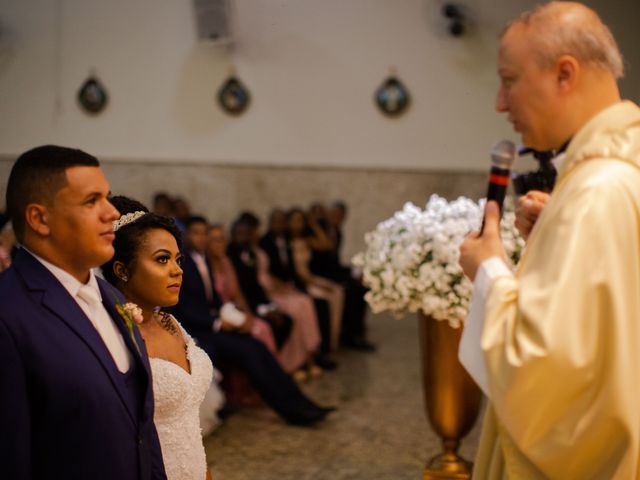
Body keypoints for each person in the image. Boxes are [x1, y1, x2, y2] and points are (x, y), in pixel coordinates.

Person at [458, 3, 640, 478]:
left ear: (564, 74)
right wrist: (554, 240)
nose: (500, 102)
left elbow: (547, 378)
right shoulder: (620, 172)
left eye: (509, 80)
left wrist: (490, 270)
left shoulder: (595, 193)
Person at [0, 145, 166, 479]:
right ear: (39, 218)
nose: (112, 214)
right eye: (92, 201)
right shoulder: (8, 315)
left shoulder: (111, 297)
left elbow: (142, 430)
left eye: (107, 198)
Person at [172, 216, 334, 425]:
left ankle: (303, 403)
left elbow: (215, 300)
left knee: (259, 347)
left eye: (204, 233)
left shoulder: (203, 260)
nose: (201, 238)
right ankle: (292, 411)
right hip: (199, 331)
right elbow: (182, 307)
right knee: (251, 353)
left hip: (214, 325)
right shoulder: (184, 264)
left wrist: (235, 317)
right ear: (186, 235)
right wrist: (219, 323)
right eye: (196, 233)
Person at [102, 196, 216, 480]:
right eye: (162, 259)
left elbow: (190, 428)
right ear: (122, 270)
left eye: (178, 259)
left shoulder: (171, 322)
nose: (177, 270)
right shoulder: (117, 337)